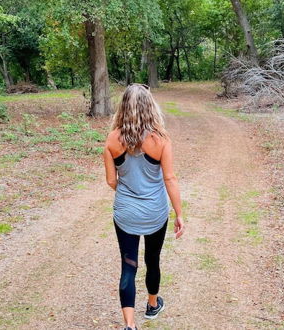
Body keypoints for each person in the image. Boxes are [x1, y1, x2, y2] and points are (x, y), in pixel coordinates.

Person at [103, 83, 184, 330]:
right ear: (150, 106)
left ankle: (129, 325)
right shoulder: (160, 139)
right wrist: (180, 214)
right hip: (155, 212)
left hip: (125, 212)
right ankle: (151, 305)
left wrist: (130, 193)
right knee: (153, 259)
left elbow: (110, 180)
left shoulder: (112, 139)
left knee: (128, 265)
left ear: (123, 106)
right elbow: (169, 178)